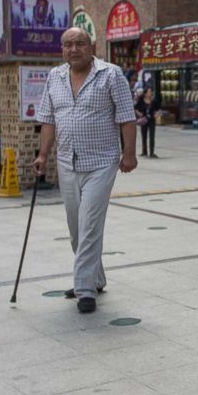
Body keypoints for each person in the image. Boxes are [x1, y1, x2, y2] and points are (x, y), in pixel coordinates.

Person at [34, 28, 138, 314]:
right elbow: (48, 120)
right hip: (67, 161)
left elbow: (127, 117)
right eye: (67, 45)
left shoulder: (111, 74)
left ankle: (84, 289)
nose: (74, 49)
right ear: (62, 50)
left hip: (102, 162)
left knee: (90, 223)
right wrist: (43, 154)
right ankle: (96, 277)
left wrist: (129, 154)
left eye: (79, 43)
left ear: (91, 46)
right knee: (76, 228)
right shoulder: (55, 77)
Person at [134, 87, 161, 158]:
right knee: (144, 136)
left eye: (151, 91)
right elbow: (135, 108)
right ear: (145, 94)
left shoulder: (153, 101)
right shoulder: (141, 100)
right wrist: (139, 113)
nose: (150, 93)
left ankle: (152, 153)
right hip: (144, 120)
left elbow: (159, 109)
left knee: (152, 136)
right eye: (149, 92)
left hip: (151, 120)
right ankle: (144, 151)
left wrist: (157, 115)